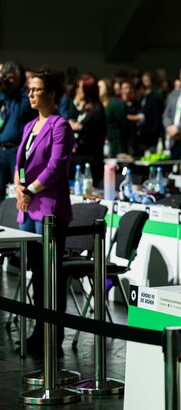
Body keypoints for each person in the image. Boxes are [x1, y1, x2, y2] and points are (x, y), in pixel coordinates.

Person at [14, 69, 73, 355]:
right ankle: (39, 332)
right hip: (28, 208)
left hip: (49, 208)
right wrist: (18, 186)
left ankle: (54, 337)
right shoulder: (28, 127)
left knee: (52, 274)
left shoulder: (60, 125)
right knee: (36, 275)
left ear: (51, 94)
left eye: (37, 90)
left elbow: (55, 166)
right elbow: (20, 164)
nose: (31, 95)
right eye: (30, 90)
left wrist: (30, 189)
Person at [0, 61, 37, 190]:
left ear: (20, 78)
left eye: (11, 78)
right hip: (2, 150)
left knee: (20, 186)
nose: (7, 81)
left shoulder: (27, 96)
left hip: (17, 151)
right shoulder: (4, 95)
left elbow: (18, 112)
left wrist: (6, 94)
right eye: (5, 77)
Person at [68, 74, 106, 184]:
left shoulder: (97, 110)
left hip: (91, 161)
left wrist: (80, 127)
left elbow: (96, 134)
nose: (78, 90)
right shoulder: (86, 108)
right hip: (82, 159)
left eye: (81, 88)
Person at [98, 78, 129, 156]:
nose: (98, 89)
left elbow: (123, 124)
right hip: (103, 144)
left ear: (107, 89)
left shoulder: (115, 104)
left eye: (100, 87)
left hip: (117, 143)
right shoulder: (97, 105)